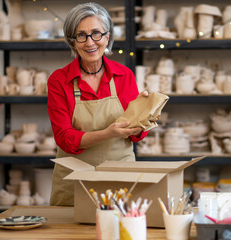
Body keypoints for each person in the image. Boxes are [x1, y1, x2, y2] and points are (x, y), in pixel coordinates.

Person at [47, 2, 148, 206]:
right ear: (72, 41)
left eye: (96, 33)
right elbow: (64, 138)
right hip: (75, 183)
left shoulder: (123, 75)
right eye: (81, 35)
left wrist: (145, 115)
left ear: (107, 37)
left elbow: (138, 135)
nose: (90, 42)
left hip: (119, 178)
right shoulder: (59, 80)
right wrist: (108, 133)